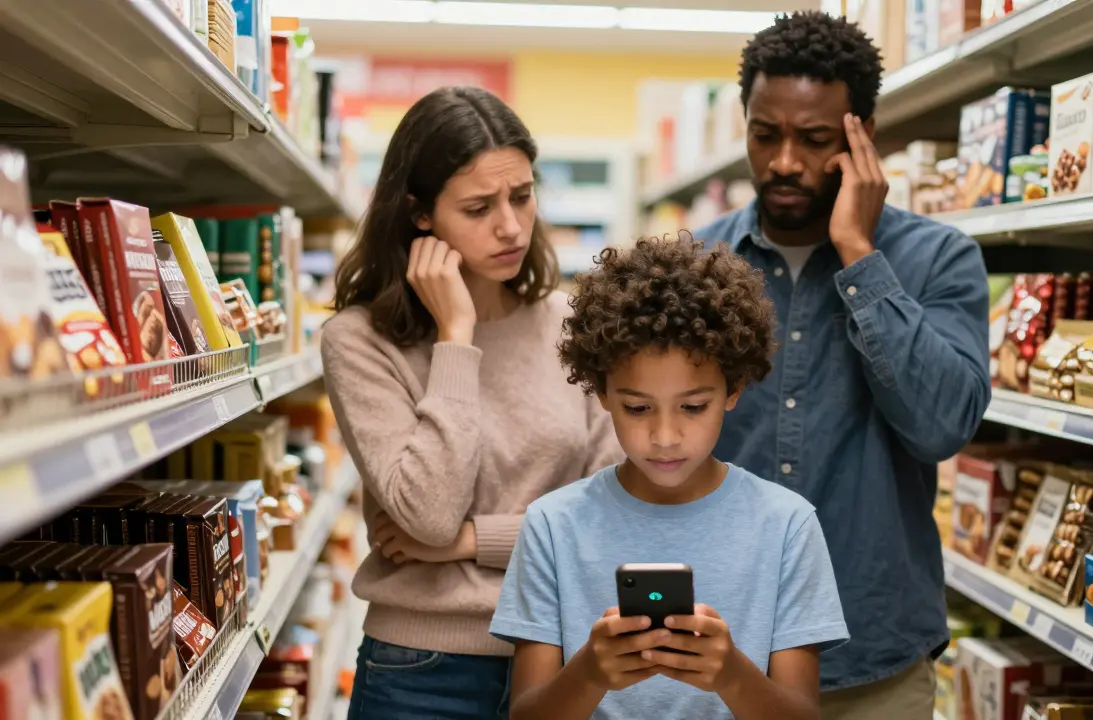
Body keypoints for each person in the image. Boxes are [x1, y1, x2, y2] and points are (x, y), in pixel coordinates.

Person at [694, 11, 991, 718]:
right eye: (765, 135)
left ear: (861, 139)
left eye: (815, 139)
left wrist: (860, 255)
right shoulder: (696, 265)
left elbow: (943, 425)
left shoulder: (939, 261)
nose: (785, 161)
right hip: (718, 652)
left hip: (874, 659)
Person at [322, 86, 622, 720]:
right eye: (479, 207)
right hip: (419, 672)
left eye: (522, 195)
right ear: (420, 214)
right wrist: (456, 336)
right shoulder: (359, 341)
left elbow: (612, 515)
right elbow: (427, 514)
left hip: (564, 655)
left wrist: (466, 544)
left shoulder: (574, 323)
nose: (511, 226)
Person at [489, 235, 849, 720]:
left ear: (734, 388)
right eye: (637, 408)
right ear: (600, 392)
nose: (664, 436)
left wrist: (731, 675)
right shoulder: (552, 525)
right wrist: (590, 673)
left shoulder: (787, 526)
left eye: (693, 407)